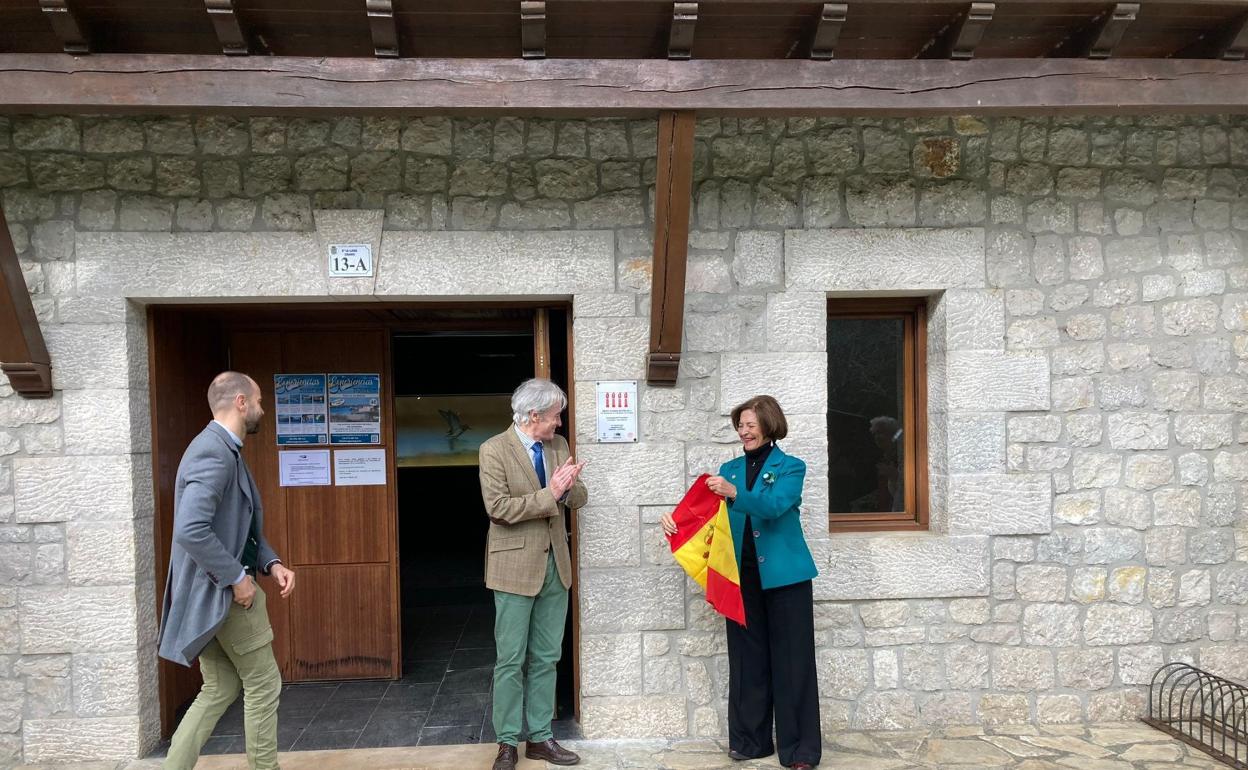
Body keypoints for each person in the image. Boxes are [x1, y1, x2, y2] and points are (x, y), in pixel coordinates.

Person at [662, 395, 821, 769]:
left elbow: (775, 506)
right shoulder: (728, 468)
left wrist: (735, 494)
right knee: (747, 661)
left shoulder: (791, 467)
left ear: (768, 425)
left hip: (786, 579)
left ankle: (801, 752)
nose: (743, 431)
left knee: (793, 662)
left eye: (750, 424)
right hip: (741, 578)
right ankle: (750, 742)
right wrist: (676, 524)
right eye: (740, 425)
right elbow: (707, 515)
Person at [158, 371, 296, 770]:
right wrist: (237, 577)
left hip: (210, 595)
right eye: (258, 401)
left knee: (219, 688)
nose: (262, 409)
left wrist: (271, 562)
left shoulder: (222, 447)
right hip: (223, 594)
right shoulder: (213, 452)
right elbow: (190, 529)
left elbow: (236, 524)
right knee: (264, 684)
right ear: (240, 403)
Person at [478, 378, 588, 770]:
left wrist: (571, 487)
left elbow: (578, 497)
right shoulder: (493, 449)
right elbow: (499, 508)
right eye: (556, 415)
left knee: (546, 657)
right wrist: (551, 495)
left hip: (555, 567)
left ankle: (540, 737)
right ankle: (507, 742)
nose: (560, 423)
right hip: (512, 569)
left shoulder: (558, 447)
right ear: (535, 415)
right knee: (510, 659)